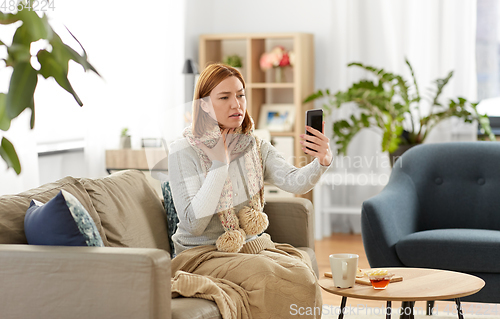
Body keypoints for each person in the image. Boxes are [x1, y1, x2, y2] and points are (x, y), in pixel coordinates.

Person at [168, 63, 333, 319]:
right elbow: (194, 224)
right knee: (269, 277)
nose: (237, 104)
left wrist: (321, 161)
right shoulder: (184, 150)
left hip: (246, 246)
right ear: (205, 104)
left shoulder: (254, 145)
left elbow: (293, 181)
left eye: (241, 94)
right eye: (225, 97)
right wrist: (219, 164)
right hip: (201, 254)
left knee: (302, 274)